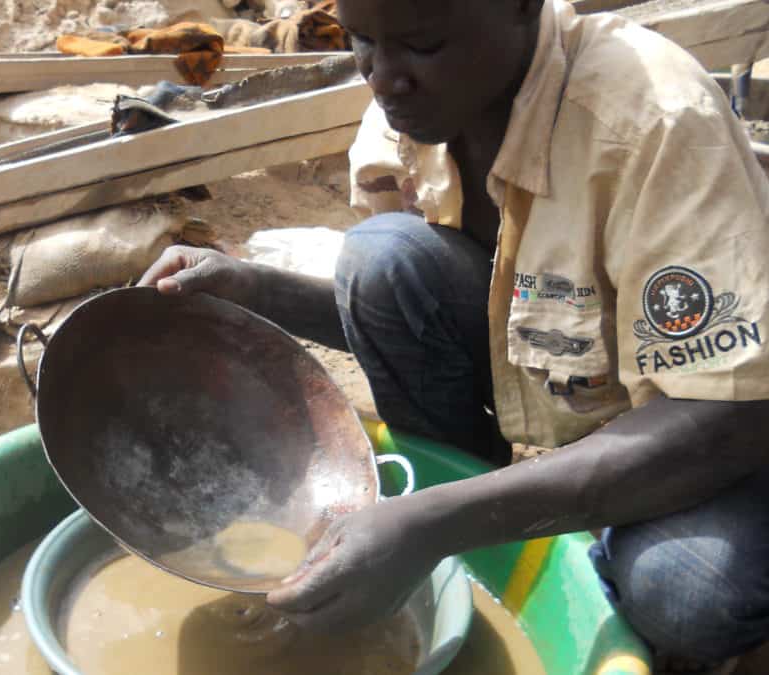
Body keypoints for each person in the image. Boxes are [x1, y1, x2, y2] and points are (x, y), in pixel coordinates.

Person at [139, 0, 769, 672]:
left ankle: (533, 546)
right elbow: (401, 318)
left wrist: (435, 520)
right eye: (361, 41)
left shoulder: (653, 122)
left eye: (424, 44)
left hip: (720, 433)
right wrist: (254, 291)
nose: (382, 76)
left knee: (689, 587)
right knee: (382, 259)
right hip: (599, 410)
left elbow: (729, 417)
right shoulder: (412, 106)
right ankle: (476, 551)